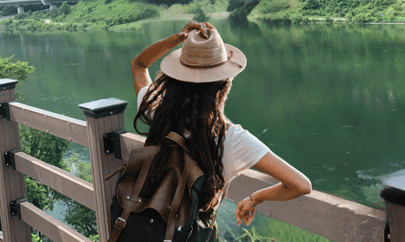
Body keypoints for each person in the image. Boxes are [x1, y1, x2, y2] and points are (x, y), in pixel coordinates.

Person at [131, 20, 311, 231]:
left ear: (175, 79)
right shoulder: (232, 139)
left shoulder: (157, 111)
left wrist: (179, 37)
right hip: (193, 232)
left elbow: (139, 64)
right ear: (224, 86)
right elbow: (300, 185)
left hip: (150, 224)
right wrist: (255, 198)